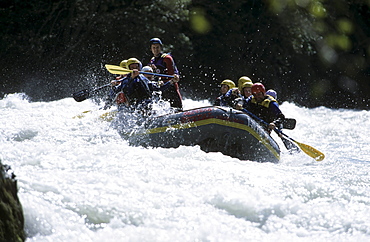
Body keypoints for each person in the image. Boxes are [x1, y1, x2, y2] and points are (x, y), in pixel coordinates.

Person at [109, 57, 179, 112]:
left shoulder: (143, 78)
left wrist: (171, 81)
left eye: (136, 67)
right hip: (135, 109)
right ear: (128, 69)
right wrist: (113, 85)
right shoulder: (125, 81)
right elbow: (122, 90)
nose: (135, 69)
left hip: (147, 106)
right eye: (132, 68)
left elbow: (158, 88)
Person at [149, 38, 183, 110]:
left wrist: (174, 77)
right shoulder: (152, 61)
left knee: (177, 107)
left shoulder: (167, 58)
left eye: (157, 47)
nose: (155, 50)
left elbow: (172, 74)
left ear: (161, 48)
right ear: (151, 49)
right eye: (153, 48)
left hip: (170, 85)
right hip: (160, 88)